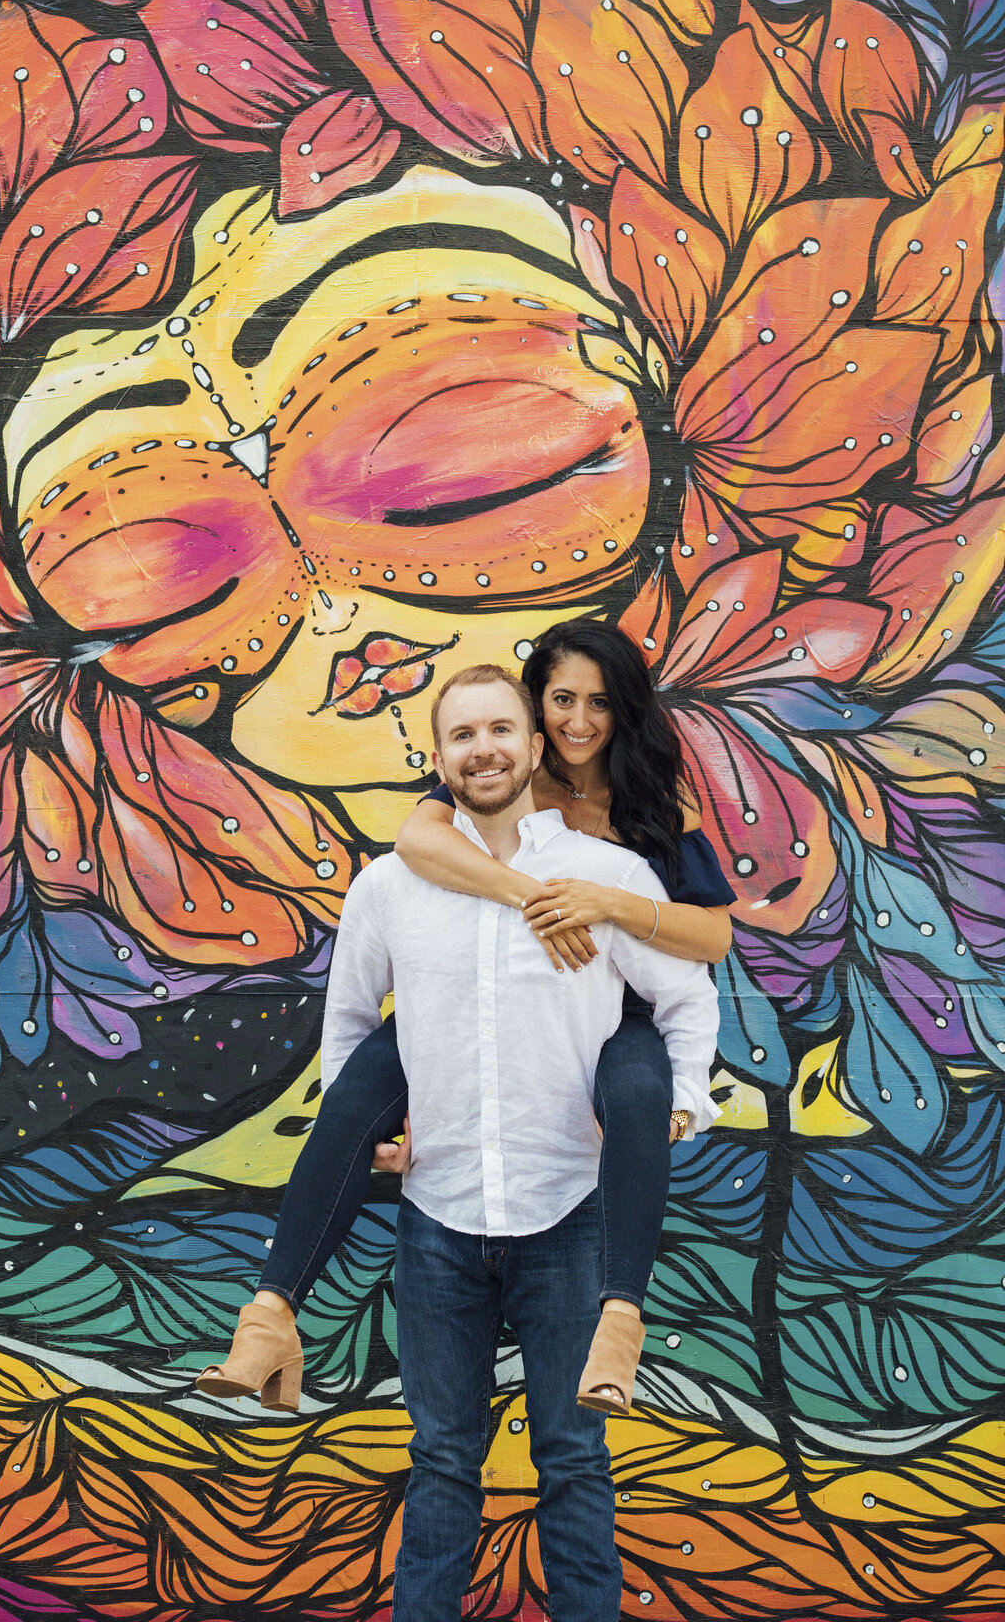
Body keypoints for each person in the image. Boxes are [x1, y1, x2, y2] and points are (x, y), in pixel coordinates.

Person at [239, 664, 719, 1621]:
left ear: (536, 748)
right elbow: (347, 1021)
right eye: (463, 736)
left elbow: (686, 995)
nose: (485, 749)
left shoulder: (606, 877)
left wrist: (687, 1100)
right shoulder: (390, 887)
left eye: (502, 729)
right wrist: (372, 1123)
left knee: (574, 1461)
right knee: (442, 1461)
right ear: (438, 757)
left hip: (566, 1213)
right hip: (439, 1218)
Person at [199, 621, 732, 1414]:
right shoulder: (501, 777)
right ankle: (270, 1314)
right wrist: (535, 898)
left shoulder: (649, 799)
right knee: (357, 1092)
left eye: (598, 702)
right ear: (535, 709)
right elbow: (418, 843)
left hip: (609, 1007)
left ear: (624, 710)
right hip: (512, 998)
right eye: (560, 701)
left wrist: (606, 902)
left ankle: (620, 1321)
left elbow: (712, 941)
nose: (578, 720)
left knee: (637, 1094)